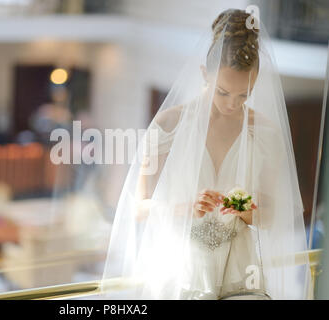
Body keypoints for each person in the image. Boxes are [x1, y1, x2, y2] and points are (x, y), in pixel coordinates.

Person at [100, 9, 311, 300]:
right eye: (223, 92)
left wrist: (246, 210)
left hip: (239, 269)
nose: (232, 104)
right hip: (180, 268)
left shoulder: (265, 133)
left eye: (243, 95)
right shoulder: (168, 126)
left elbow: (274, 214)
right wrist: (187, 208)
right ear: (204, 74)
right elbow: (140, 209)